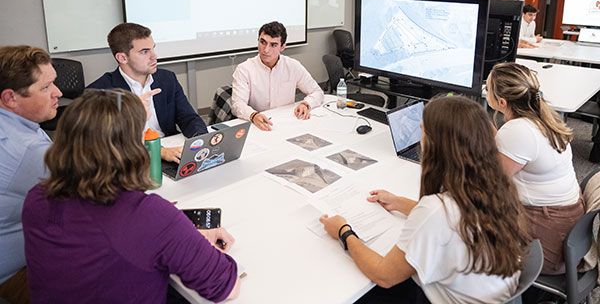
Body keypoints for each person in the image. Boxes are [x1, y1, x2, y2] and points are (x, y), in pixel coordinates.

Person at [22, 89, 240, 302]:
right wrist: (193, 244)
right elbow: (226, 286)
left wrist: (182, 236)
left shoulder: (37, 198)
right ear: (130, 148)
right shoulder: (149, 215)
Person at [320, 95, 529, 303]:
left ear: (436, 145)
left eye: (421, 133)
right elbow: (454, 219)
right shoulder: (497, 188)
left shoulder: (437, 210)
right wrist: (400, 202)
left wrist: (343, 232)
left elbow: (384, 275)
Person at [486, 62, 584, 275]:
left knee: (465, 225)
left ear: (501, 102)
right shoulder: (542, 117)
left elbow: (489, 184)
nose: (484, 92)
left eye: (487, 89)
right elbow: (519, 151)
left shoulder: (517, 131)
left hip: (547, 245)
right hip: (568, 228)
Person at [88, 22, 208, 163]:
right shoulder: (99, 92)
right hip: (131, 160)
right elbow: (106, 143)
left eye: (153, 49)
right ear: (122, 58)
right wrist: (158, 151)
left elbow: (189, 118)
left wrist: (200, 141)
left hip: (171, 150)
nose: (154, 56)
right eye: (144, 52)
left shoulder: (167, 79)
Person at [0, 45, 62, 304]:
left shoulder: (16, 124)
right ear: (10, 98)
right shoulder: (27, 149)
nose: (58, 93)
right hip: (16, 275)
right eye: (46, 87)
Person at [231, 21, 324, 131]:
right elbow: (237, 104)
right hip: (258, 124)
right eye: (263, 42)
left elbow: (317, 92)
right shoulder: (244, 69)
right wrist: (253, 115)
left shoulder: (292, 66)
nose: (266, 50)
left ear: (283, 47)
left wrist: (307, 104)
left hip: (288, 122)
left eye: (273, 45)